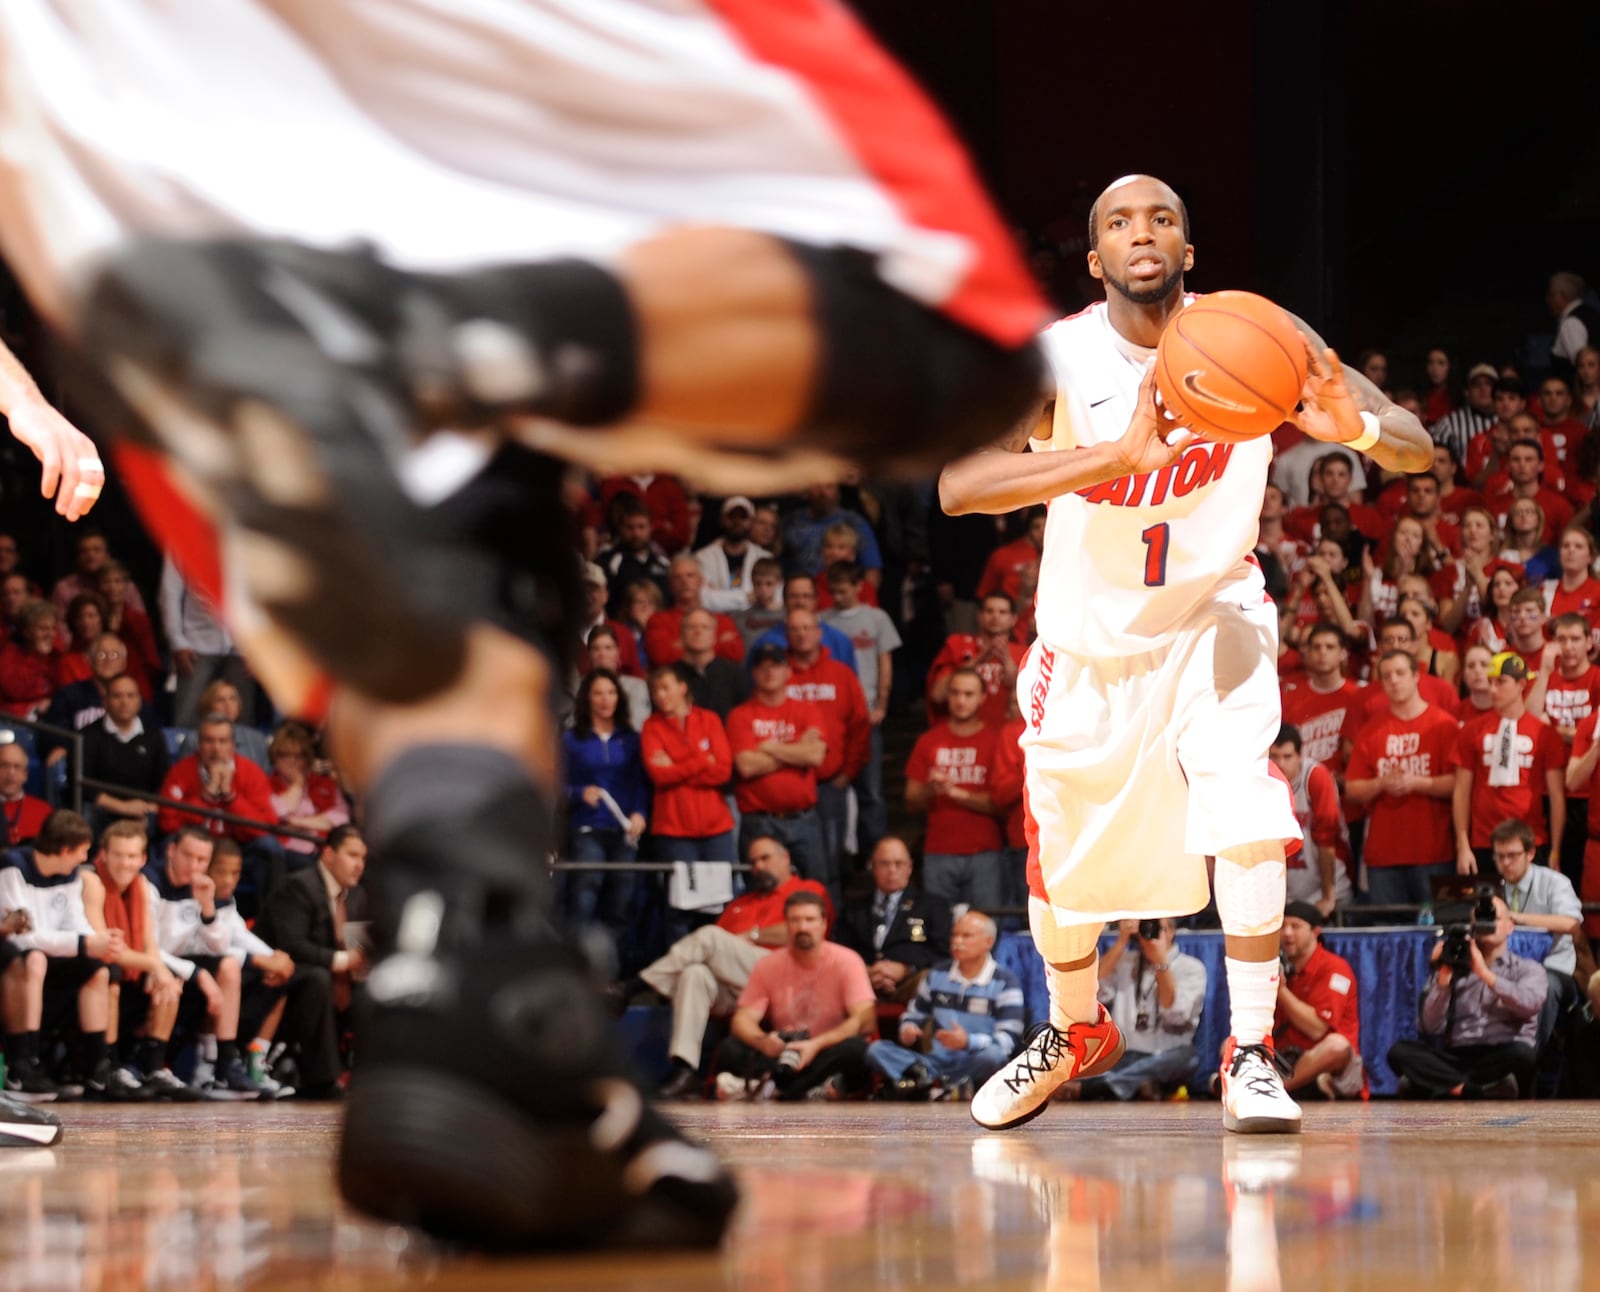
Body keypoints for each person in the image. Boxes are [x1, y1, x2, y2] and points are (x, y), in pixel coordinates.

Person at [0, 0, 1054, 1248]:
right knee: (953, 331)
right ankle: (472, 340)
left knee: (453, 549)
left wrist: (28, 392)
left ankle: (470, 990)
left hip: (73, 83)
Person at [938, 172, 1431, 1135]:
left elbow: (1413, 445)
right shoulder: (1056, 358)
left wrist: (1357, 426)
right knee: (1065, 877)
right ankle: (1074, 1031)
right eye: (1119, 222)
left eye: (1162, 217)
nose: (1142, 232)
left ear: (1188, 248)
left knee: (1245, 795)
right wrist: (1113, 458)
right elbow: (962, 484)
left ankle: (1250, 1052)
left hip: (1216, 610)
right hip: (1090, 643)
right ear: (1096, 259)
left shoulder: (1261, 332)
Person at [621, 837, 829, 1100]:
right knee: (694, 972)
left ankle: (633, 987)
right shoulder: (741, 904)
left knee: (709, 936)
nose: (758, 867)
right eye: (753, 862)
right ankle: (685, 1070)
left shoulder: (807, 890)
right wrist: (730, 943)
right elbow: (713, 951)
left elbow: (798, 934)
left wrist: (750, 936)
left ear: (785, 858)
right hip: (742, 990)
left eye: (765, 859)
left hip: (788, 979)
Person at [77, 821, 199, 1102]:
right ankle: (107, 1068)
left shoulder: (142, 884)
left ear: (143, 859)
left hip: (129, 971)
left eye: (132, 856)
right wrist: (154, 965)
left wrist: (160, 972)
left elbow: (148, 942)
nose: (125, 863)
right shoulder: (91, 881)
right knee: (112, 973)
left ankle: (154, 1069)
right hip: (87, 974)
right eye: (118, 855)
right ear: (103, 854)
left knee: (168, 980)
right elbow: (105, 947)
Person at [143, 827, 267, 1099]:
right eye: (188, 856)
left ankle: (225, 1067)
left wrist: (208, 907)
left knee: (228, 966)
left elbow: (220, 947)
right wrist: (198, 974)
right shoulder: (150, 882)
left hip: (182, 969)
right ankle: (153, 1067)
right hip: (149, 966)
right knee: (171, 975)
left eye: (202, 860)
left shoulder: (201, 887)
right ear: (171, 851)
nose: (195, 865)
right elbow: (148, 947)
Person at [0, 811, 116, 1102]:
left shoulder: (72, 876)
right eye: (82, 852)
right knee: (34, 957)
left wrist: (97, 942)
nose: (83, 859)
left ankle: (98, 1069)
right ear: (65, 850)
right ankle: (25, 1065)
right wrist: (82, 942)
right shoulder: (13, 867)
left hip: (55, 955)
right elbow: (21, 934)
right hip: (20, 962)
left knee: (98, 970)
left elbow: (76, 924)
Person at [716, 891, 874, 1102]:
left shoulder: (847, 960)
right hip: (783, 1051)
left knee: (857, 1050)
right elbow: (742, 1019)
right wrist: (764, 1042)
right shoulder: (768, 964)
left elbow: (865, 1020)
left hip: (826, 1047)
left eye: (809, 920)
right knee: (730, 1048)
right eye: (795, 920)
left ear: (823, 924)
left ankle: (773, 1088)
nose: (803, 927)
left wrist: (816, 1045)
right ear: (787, 925)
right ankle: (802, 1088)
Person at [1387, 894, 1545, 1099]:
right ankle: (1472, 1090)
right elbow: (1429, 1027)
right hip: (1459, 1054)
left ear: (1510, 926)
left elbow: (1530, 1004)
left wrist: (1485, 974)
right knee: (1399, 1052)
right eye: (1480, 921)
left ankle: (1445, 1086)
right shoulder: (1455, 965)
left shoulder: (1528, 969)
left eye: (1493, 919)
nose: (1486, 925)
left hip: (1502, 1052)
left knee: (1524, 1055)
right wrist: (1443, 980)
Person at [865, 910, 1024, 1100]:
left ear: (988, 942)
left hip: (974, 1061)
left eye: (966, 936)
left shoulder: (1005, 981)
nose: (957, 941)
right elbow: (913, 1015)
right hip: (935, 1063)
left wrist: (968, 1041)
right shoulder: (937, 974)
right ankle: (944, 1089)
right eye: (955, 935)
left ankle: (929, 1089)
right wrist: (908, 1029)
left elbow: (1008, 1039)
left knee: (993, 1057)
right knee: (876, 1050)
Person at [1343, 650, 1459, 907]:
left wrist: (1417, 783)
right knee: (1387, 934)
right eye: (1386, 676)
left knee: (1436, 933)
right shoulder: (1371, 730)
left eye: (1400, 673)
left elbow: (1459, 785)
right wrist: (1381, 783)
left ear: (1416, 676)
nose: (1394, 681)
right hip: (1384, 855)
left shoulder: (1443, 724)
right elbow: (1352, 788)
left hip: (1434, 852)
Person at [1451, 653, 1566, 875]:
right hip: (1484, 841)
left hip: (1531, 839)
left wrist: (1556, 851)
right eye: (1490, 682)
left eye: (1501, 682)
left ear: (1521, 684)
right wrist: (1462, 845)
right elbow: (1461, 791)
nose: (1492, 690)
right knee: (1488, 909)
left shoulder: (1545, 734)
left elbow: (1556, 795)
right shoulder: (1472, 731)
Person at [905, 668, 1006, 913]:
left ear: (982, 698)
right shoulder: (928, 741)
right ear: (947, 697)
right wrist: (932, 789)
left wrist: (954, 792)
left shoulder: (995, 740)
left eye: (969, 694)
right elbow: (910, 801)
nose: (961, 700)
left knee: (988, 925)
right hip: (939, 850)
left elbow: (1000, 803)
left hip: (985, 851)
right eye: (956, 693)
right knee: (939, 927)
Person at [558, 669, 648, 944]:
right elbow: (553, 783)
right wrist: (577, 793)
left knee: (621, 901)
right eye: (598, 693)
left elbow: (640, 783)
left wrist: (640, 814)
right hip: (587, 827)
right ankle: (579, 969)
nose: (605, 699)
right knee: (584, 896)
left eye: (610, 692)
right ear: (587, 699)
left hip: (624, 833)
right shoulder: (572, 739)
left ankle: (611, 975)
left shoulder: (631, 739)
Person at [726, 645, 828, 884]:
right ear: (753, 673)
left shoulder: (807, 710)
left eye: (775, 666)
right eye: (762, 667)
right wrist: (796, 748)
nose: (769, 672)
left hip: (804, 818)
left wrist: (769, 747)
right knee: (761, 892)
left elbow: (814, 757)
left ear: (788, 672)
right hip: (760, 820)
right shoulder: (740, 715)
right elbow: (746, 766)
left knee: (815, 888)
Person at [821, 559, 900, 855]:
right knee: (836, 786)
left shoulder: (876, 618)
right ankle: (841, 853)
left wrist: (881, 703)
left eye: (843, 591)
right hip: (832, 715)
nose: (837, 597)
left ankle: (873, 854)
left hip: (866, 712)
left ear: (859, 587)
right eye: (833, 592)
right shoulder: (822, 620)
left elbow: (885, 663)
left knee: (871, 791)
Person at [1083, 918, 1206, 1102]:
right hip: (1124, 1055)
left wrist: (1161, 963)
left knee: (1188, 1058)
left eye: (1158, 928)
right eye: (1145, 927)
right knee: (1093, 1057)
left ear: (1171, 932)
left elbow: (1175, 1013)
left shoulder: (1191, 967)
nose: (1151, 933)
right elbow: (1093, 990)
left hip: (1164, 1054)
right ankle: (1140, 1084)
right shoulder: (1124, 961)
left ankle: (1100, 1087)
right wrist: (1121, 941)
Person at [254, 827, 369, 1022]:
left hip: (333, 977)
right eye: (352, 855)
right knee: (319, 979)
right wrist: (344, 960)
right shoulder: (298, 885)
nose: (359, 865)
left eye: (363, 858)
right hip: (278, 977)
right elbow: (293, 946)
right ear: (329, 854)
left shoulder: (357, 894)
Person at [639, 663, 736, 874]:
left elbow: (723, 771)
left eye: (665, 688)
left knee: (720, 894)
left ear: (682, 687)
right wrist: (701, 762)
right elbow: (659, 776)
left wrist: (676, 766)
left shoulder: (709, 720)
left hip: (716, 826)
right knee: (681, 898)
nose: (660, 695)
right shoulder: (651, 727)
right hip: (674, 827)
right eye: (655, 691)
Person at [831, 836, 952, 1005]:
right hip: (863, 983)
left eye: (898, 864)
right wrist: (867, 971)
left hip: (910, 983)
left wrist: (906, 968)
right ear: (872, 867)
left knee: (931, 979)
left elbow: (943, 952)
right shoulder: (854, 908)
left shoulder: (933, 905)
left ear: (909, 868)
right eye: (884, 864)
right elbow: (841, 951)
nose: (892, 870)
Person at [1273, 901, 1364, 1100]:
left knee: (1337, 1046)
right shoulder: (1280, 968)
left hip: (1323, 1058)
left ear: (1315, 932)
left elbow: (1317, 1029)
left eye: (1295, 926)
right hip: (1286, 1055)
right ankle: (1304, 1086)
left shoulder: (1336, 969)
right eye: (1283, 926)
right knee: (1231, 1044)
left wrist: (1281, 991)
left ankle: (1276, 1090)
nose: (1287, 933)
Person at [1265, 725, 1348, 914]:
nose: (1281, 764)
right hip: (1285, 892)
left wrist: (1328, 897)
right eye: (1274, 757)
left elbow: (1327, 840)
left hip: (1329, 887)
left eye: (1287, 756)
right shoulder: (1262, 778)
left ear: (1300, 755)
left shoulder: (1315, 777)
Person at [79, 674, 170, 837]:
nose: (124, 702)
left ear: (139, 701)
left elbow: (164, 780)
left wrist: (148, 808)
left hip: (143, 809)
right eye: (117, 696)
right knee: (86, 815)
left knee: (168, 818)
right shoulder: (88, 735)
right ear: (105, 701)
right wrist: (123, 807)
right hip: (104, 808)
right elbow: (84, 784)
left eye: (130, 695)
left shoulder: (154, 735)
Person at [267, 722, 353, 865]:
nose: (292, 761)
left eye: (299, 756)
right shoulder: (265, 783)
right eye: (285, 755)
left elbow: (341, 818)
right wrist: (298, 784)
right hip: (286, 852)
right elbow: (277, 814)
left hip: (322, 849)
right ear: (275, 757)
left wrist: (299, 822)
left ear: (308, 759)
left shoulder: (324, 783)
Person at [693, 496, 771, 614]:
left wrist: (719, 596)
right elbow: (703, 599)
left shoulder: (764, 557)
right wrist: (745, 597)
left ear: (750, 522)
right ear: (722, 520)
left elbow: (771, 597)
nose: (737, 522)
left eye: (743, 517)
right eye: (732, 516)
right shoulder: (703, 557)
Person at [0, 742, 50, 848]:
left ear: (25, 774)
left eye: (17, 767)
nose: (11, 772)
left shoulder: (44, 810)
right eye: (4, 765)